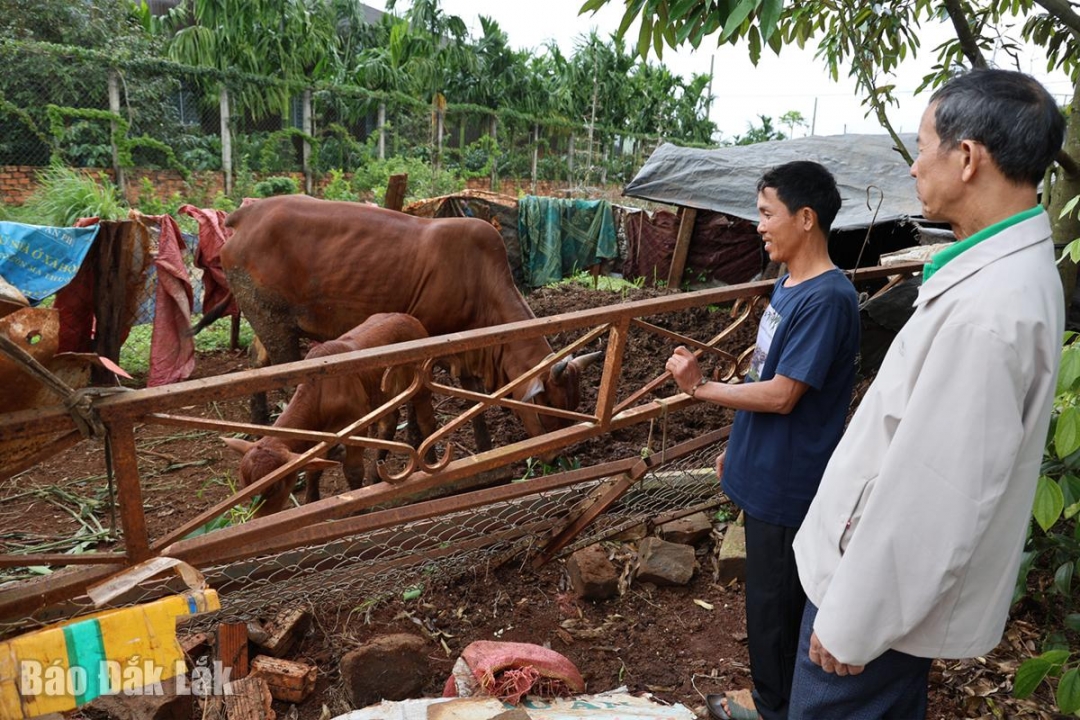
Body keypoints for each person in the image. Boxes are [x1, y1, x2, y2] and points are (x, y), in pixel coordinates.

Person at [789, 69, 1066, 719]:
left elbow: (936, 490)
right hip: (874, 590)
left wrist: (854, 620)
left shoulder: (990, 313)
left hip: (866, 608)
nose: (914, 167)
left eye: (922, 146)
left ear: (968, 158)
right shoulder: (1004, 275)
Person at [666, 161, 860, 720]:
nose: (759, 225)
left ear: (806, 218)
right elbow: (761, 374)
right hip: (764, 465)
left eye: (766, 213)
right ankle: (775, 698)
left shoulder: (827, 299)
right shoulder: (790, 282)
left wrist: (700, 387)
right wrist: (739, 445)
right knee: (764, 601)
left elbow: (781, 395)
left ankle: (776, 710)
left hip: (788, 482)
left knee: (775, 608)